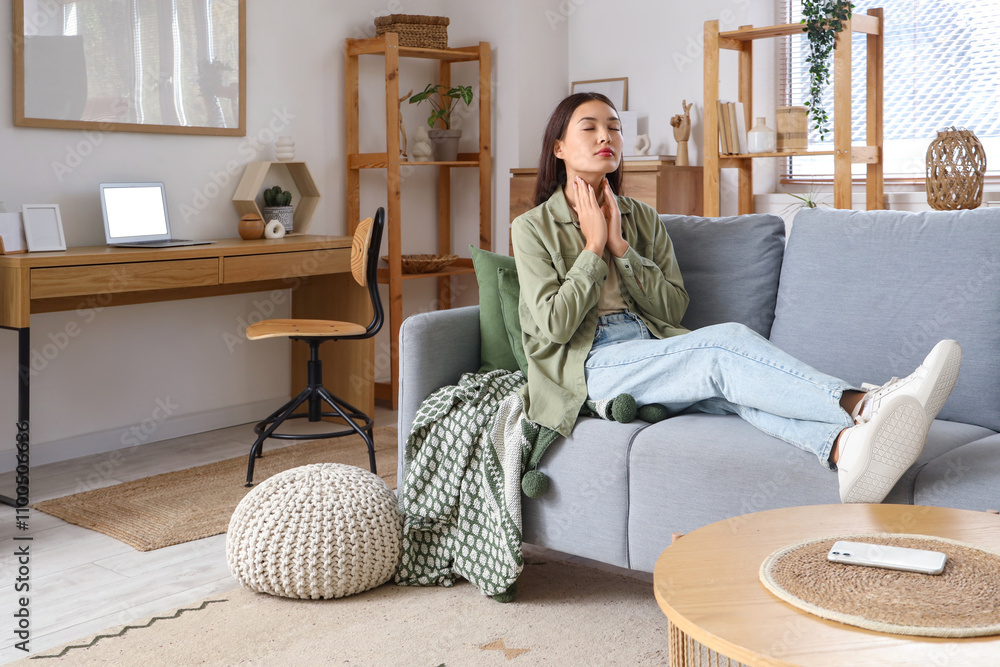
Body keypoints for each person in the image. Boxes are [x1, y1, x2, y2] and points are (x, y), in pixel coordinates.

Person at [510, 93, 962, 504]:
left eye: (614, 126)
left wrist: (621, 247)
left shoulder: (641, 218)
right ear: (559, 148)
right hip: (588, 365)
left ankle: (846, 451)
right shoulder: (531, 228)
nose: (606, 136)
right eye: (589, 127)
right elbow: (555, 325)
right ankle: (861, 404)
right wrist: (592, 246)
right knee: (722, 346)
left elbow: (671, 308)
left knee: (740, 393)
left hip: (647, 347)